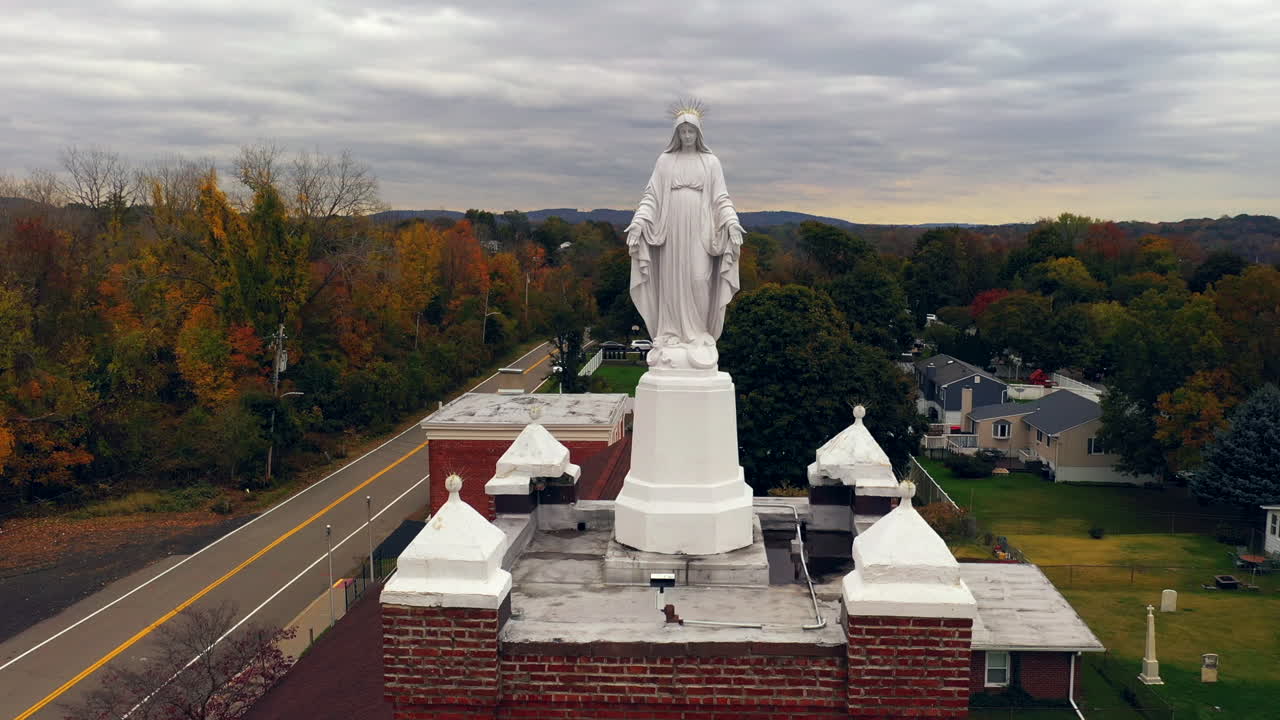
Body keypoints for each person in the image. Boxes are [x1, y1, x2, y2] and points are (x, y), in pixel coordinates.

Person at [626, 102, 744, 370]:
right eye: (683, 132)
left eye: (692, 132)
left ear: (698, 133)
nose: (687, 136)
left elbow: (721, 198)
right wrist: (638, 223)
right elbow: (651, 197)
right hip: (671, 230)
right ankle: (672, 333)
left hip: (700, 230)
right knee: (672, 281)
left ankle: (699, 333)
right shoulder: (665, 161)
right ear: (676, 134)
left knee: (699, 278)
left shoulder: (710, 162)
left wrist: (732, 223)